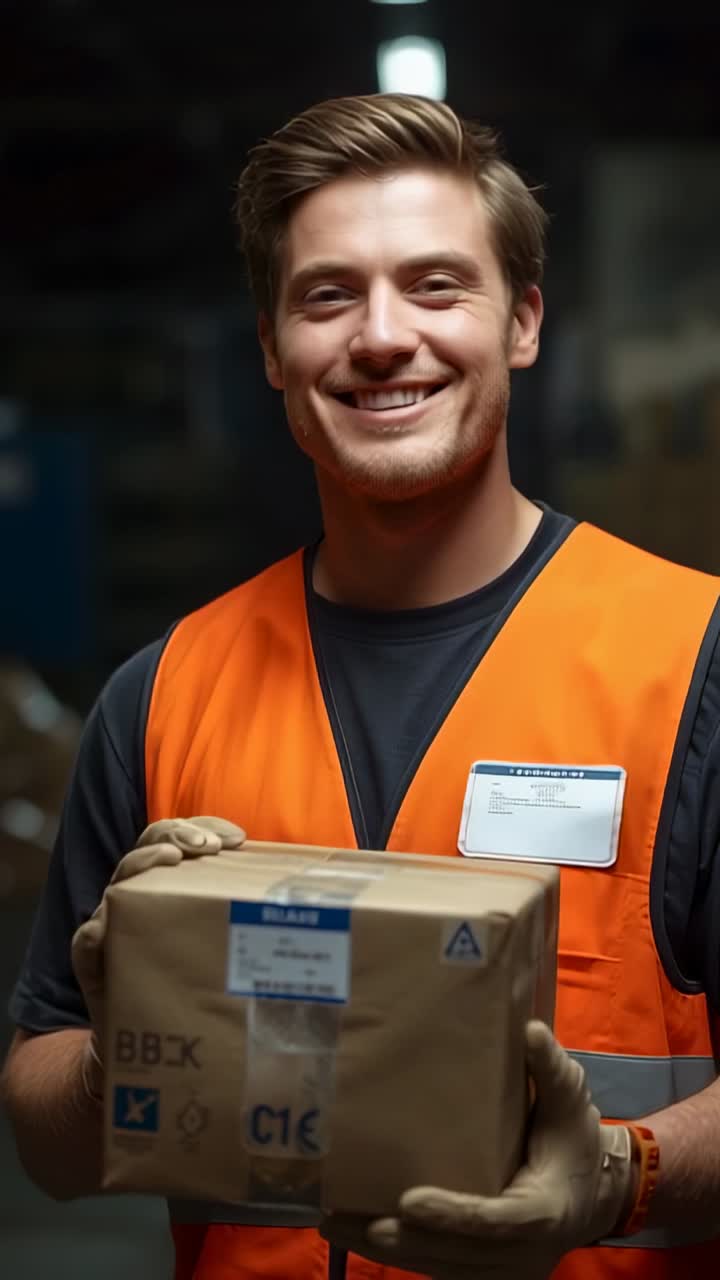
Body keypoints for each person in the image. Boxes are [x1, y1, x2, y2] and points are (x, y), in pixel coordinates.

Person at [3, 91, 720, 1280]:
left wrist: (615, 1170)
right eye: (329, 294)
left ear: (524, 321)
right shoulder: (163, 692)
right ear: (276, 350)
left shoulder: (690, 662)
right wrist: (117, 1051)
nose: (383, 336)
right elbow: (47, 1137)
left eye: (438, 285)